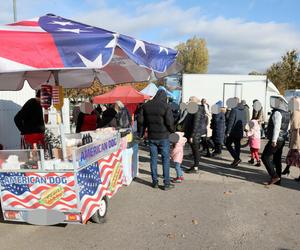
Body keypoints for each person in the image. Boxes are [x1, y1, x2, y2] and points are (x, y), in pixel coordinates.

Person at [137, 89, 175, 190]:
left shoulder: (146, 106)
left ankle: (155, 182)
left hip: (152, 137)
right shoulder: (166, 106)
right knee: (165, 160)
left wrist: (140, 134)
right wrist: (172, 131)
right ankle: (166, 183)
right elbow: (170, 122)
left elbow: (141, 121)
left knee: (153, 159)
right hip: (163, 137)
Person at [262, 97, 289, 185]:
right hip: (282, 139)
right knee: (277, 159)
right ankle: (279, 179)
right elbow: (287, 128)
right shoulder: (287, 113)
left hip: (276, 139)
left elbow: (277, 127)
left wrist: (274, 140)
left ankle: (274, 176)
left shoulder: (277, 112)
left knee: (265, 157)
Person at [281, 97, 300, 181]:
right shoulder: (297, 111)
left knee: (297, 156)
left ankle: (288, 170)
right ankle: (286, 169)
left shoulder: (295, 112)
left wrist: (289, 129)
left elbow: (295, 125)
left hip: (297, 137)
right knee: (291, 155)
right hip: (296, 136)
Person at [225, 98, 246, 167]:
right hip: (240, 131)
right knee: (237, 146)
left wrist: (228, 131)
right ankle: (236, 161)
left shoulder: (234, 110)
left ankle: (236, 158)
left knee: (227, 144)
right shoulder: (244, 110)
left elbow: (231, 121)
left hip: (233, 131)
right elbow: (245, 121)